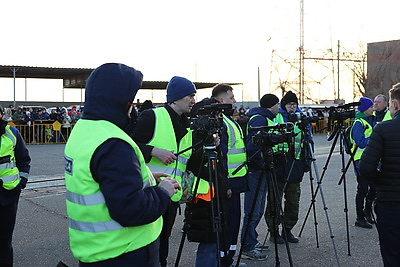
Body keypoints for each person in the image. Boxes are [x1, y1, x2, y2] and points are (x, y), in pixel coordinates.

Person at [64, 63, 180, 266]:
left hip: (96, 250)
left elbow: (98, 179)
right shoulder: (113, 142)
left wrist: (148, 177)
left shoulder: (84, 130)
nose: (132, 107)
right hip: (126, 252)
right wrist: (163, 192)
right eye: (130, 100)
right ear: (120, 101)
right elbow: (131, 209)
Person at [133, 76, 196, 267]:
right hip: (149, 192)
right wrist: (153, 151)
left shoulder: (187, 124)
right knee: (147, 243)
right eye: (189, 96)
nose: (193, 100)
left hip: (172, 195)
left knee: (163, 243)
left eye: (194, 95)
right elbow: (129, 146)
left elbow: (189, 158)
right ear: (175, 98)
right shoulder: (152, 116)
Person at [359, 83, 400, 266]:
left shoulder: (383, 129)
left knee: (392, 253)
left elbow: (366, 167)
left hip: (391, 203)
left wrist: (382, 181)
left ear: (395, 105)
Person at [265, 91, 311, 244]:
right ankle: (274, 231)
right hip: (278, 164)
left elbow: (307, 141)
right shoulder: (277, 117)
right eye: (289, 104)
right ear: (284, 105)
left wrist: (307, 161)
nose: (292, 106)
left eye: (294, 104)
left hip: (295, 164)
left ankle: (288, 229)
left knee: (293, 200)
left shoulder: (301, 119)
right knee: (274, 201)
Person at [211, 84, 248, 266]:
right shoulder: (221, 122)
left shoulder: (228, 120)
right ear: (222, 100)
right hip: (230, 181)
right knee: (229, 223)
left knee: (233, 222)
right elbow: (221, 156)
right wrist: (225, 184)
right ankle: (224, 260)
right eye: (232, 98)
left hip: (236, 178)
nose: (235, 101)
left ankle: (229, 258)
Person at [240, 93, 280, 261]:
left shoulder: (264, 117)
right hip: (256, 170)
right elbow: (253, 145)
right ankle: (247, 246)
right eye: (277, 104)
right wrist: (260, 162)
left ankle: (251, 240)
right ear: (271, 106)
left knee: (258, 208)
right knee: (253, 209)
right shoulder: (259, 119)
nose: (279, 107)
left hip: (261, 169)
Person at [0, 105, 31, 267]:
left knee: (4, 240)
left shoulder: (13, 133)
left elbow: (24, 160)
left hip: (8, 195)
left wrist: (22, 183)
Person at [350, 96, 377, 228]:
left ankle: (367, 211)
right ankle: (360, 218)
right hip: (360, 160)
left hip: (371, 159)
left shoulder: (371, 121)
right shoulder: (358, 123)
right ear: (365, 109)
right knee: (362, 189)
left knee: (374, 187)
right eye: (371, 107)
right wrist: (374, 138)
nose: (373, 109)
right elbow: (360, 143)